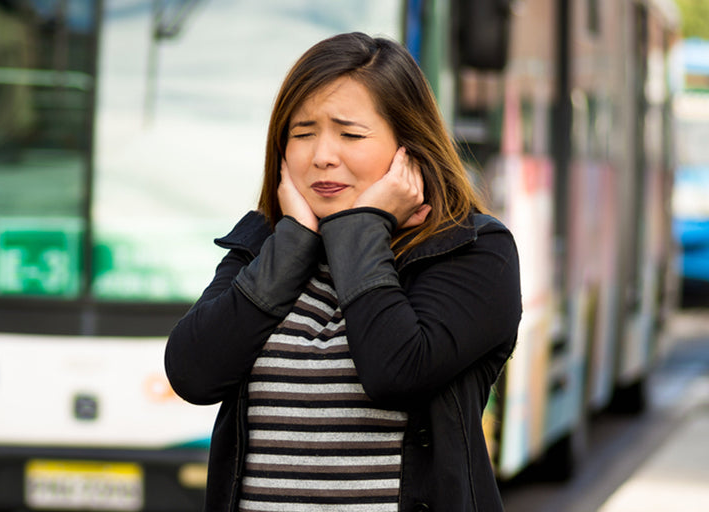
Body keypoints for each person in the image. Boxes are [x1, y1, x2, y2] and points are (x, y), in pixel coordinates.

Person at [164, 32, 522, 512]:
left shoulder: (473, 251)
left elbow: (397, 369)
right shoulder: (265, 245)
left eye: (350, 134)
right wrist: (292, 241)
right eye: (303, 132)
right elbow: (193, 374)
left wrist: (360, 231)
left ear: (409, 148)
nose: (322, 156)